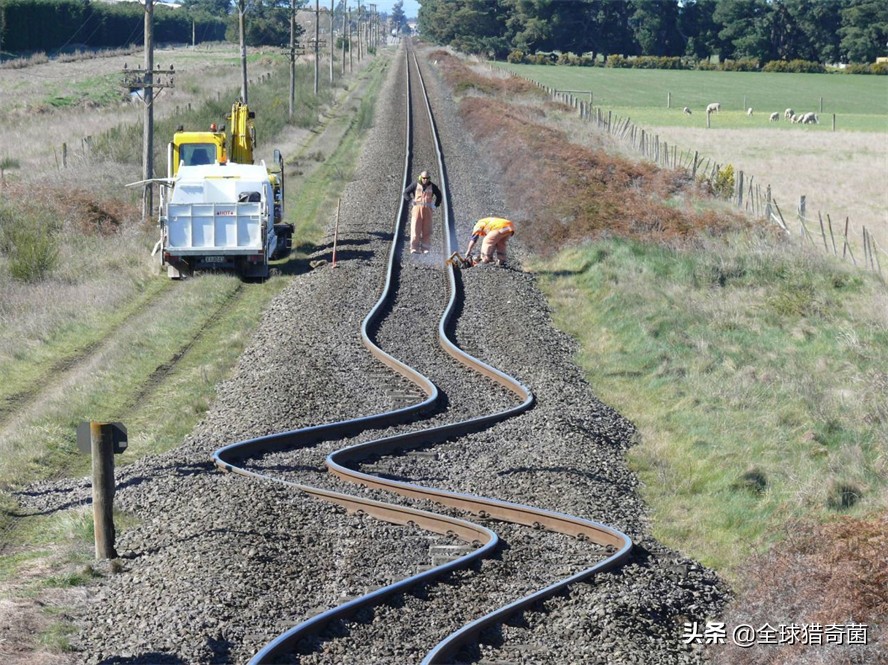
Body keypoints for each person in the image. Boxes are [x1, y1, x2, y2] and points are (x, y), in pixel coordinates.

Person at [402, 170, 442, 254]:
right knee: (415, 229)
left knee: (427, 230)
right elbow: (405, 192)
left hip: (428, 211)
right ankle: (414, 248)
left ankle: (425, 249)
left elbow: (439, 195)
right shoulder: (415, 185)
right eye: (424, 178)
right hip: (417, 211)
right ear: (421, 177)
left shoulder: (432, 186)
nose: (425, 180)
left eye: (427, 178)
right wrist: (410, 200)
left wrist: (436, 205)